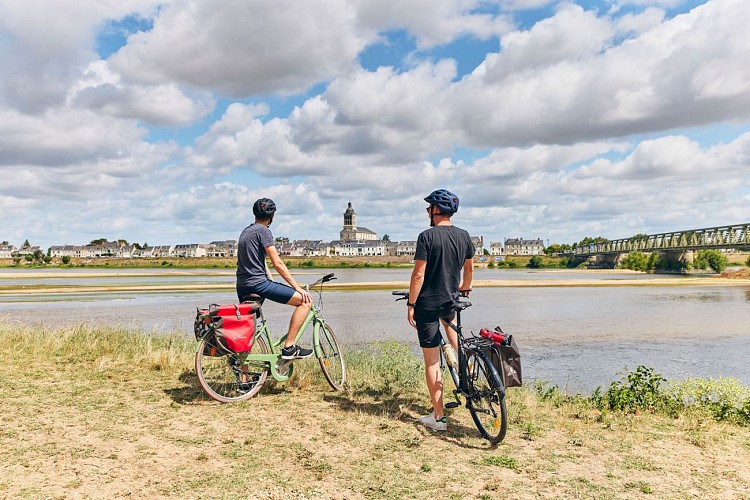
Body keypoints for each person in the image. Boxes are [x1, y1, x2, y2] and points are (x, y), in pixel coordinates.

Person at [407, 189, 474, 431]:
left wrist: (411, 304)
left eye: (428, 208)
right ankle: (466, 369)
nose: (427, 212)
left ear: (436, 210)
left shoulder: (426, 236)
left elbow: (418, 275)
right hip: (451, 300)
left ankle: (439, 418)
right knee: (452, 330)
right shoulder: (465, 236)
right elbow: (469, 271)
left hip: (427, 304)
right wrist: (464, 288)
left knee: (432, 361)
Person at [236, 198, 314, 359]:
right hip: (258, 284)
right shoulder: (264, 231)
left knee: (248, 328)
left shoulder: (246, 232)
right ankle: (289, 348)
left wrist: (268, 276)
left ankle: (244, 381)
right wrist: (297, 287)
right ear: (272, 216)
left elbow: (256, 259)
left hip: (243, 285)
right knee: (305, 302)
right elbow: (277, 262)